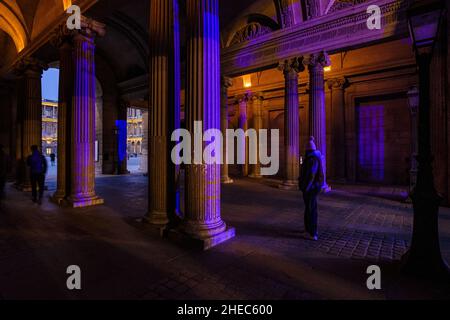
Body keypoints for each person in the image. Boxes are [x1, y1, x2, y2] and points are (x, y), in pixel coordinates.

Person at [299, 137, 324, 241]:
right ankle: (308, 229)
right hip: (312, 188)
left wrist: (307, 187)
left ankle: (312, 233)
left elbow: (311, 175)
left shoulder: (312, 159)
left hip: (311, 188)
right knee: (309, 209)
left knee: (311, 209)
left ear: (308, 150)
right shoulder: (313, 158)